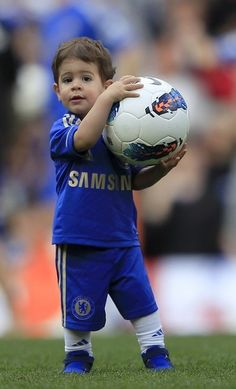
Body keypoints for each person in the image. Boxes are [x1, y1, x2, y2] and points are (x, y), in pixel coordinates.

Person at [49, 36, 186, 374]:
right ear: (57, 91)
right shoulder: (65, 128)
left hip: (122, 238)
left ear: (105, 84)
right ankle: (78, 356)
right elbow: (83, 140)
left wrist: (160, 170)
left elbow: (133, 181)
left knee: (141, 300)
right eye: (68, 80)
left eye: (86, 78)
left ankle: (155, 351)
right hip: (78, 240)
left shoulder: (118, 132)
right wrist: (108, 98)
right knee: (79, 306)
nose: (76, 87)